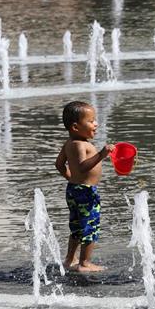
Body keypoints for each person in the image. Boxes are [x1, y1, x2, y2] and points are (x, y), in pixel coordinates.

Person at [55, 101, 114, 272]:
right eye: (91, 121)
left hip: (73, 189)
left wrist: (71, 179)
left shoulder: (69, 143)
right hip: (86, 192)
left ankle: (69, 260)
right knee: (90, 225)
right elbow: (82, 166)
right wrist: (101, 155)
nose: (96, 124)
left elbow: (59, 164)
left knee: (76, 226)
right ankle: (85, 263)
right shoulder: (81, 144)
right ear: (75, 127)